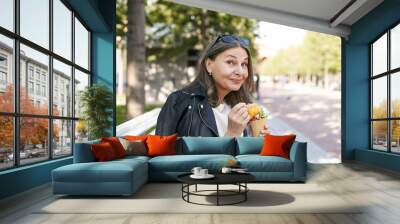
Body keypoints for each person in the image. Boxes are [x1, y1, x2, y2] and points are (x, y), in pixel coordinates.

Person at [155, 34, 268, 137]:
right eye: (230, 62)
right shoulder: (178, 102)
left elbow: (238, 158)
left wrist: (254, 141)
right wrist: (232, 134)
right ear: (209, 65)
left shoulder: (239, 105)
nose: (240, 71)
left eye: (244, 64)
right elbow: (160, 157)